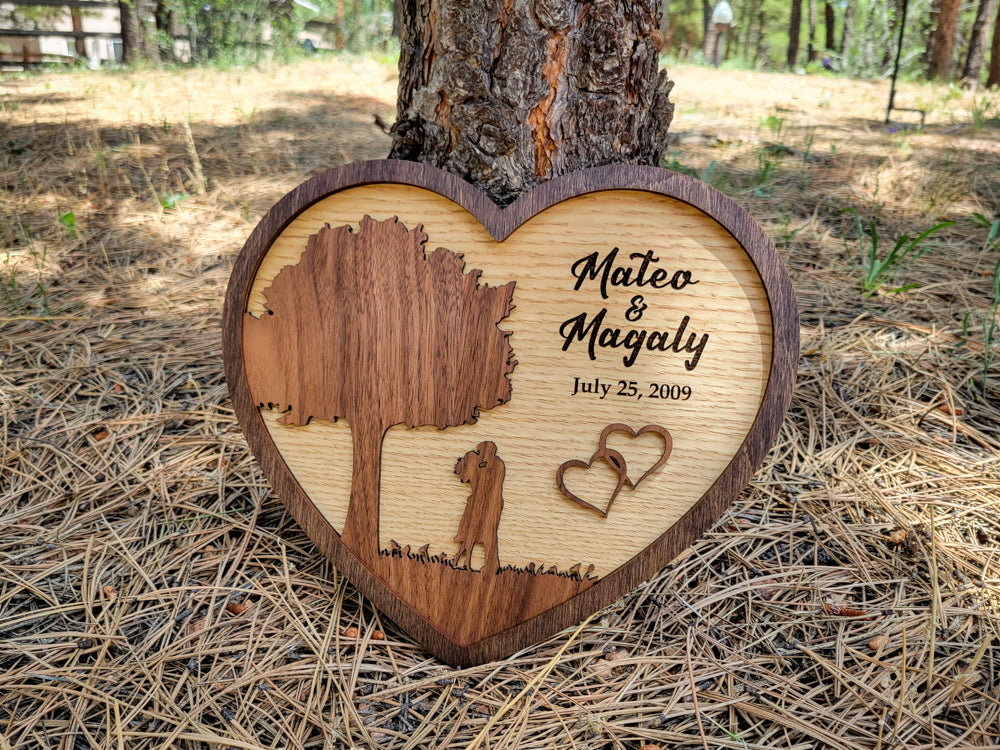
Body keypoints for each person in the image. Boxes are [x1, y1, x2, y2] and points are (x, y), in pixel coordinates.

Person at [453, 441, 505, 573]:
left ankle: (491, 565)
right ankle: (464, 560)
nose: (480, 454)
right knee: (471, 531)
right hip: (477, 502)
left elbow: (490, 483)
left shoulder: (497, 464)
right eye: (479, 452)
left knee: (488, 535)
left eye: (481, 451)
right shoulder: (479, 465)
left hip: (491, 504)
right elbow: (466, 479)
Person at [709, 0, 735, 67]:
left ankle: (715, 62)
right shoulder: (726, 6)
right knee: (718, 43)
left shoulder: (719, 6)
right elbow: (730, 17)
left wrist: (715, 23)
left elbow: (715, 16)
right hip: (724, 24)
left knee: (717, 43)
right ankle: (716, 62)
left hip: (718, 24)